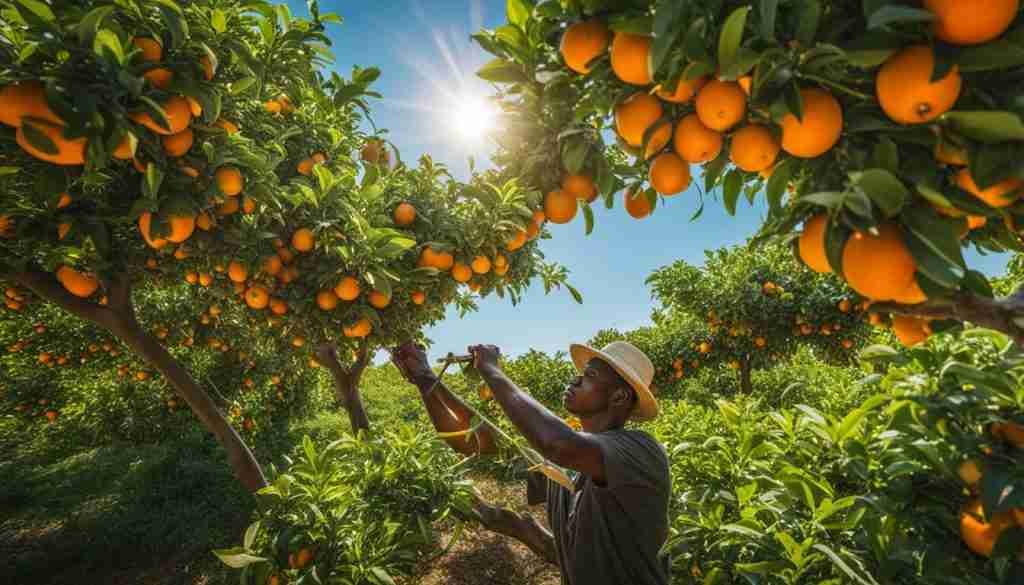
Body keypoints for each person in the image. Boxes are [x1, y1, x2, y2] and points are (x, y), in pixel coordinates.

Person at [390, 339, 671, 585]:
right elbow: (475, 442)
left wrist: (491, 370)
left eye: (589, 376)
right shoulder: (566, 464)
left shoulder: (642, 451)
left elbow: (557, 443)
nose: (574, 381)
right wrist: (425, 378)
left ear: (619, 397)